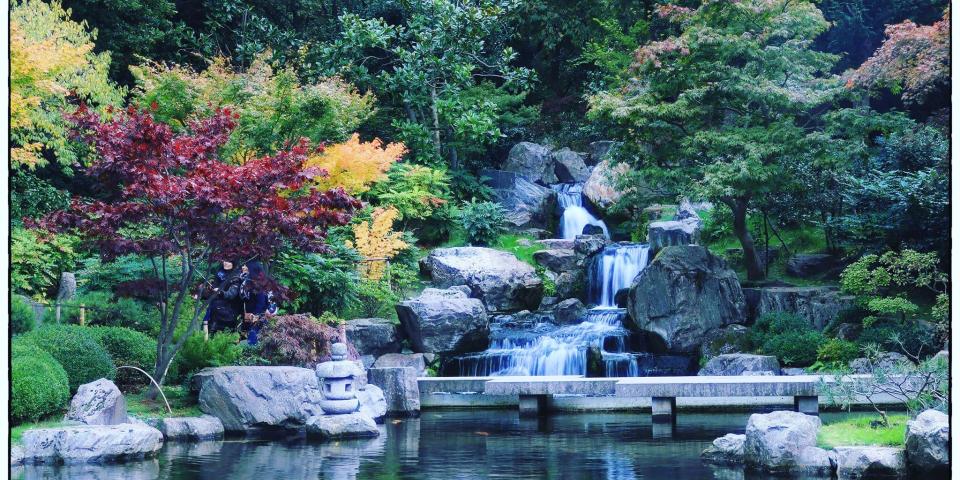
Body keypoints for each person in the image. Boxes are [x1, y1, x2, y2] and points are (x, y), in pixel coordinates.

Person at [238, 260, 272, 345]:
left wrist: (254, 315)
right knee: (247, 336)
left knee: (253, 338)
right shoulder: (246, 279)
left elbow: (261, 302)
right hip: (249, 314)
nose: (243, 267)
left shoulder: (258, 283)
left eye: (246, 266)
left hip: (257, 315)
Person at [203, 261, 242, 335]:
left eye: (229, 261)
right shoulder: (220, 272)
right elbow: (214, 286)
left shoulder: (236, 276)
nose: (225, 263)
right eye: (225, 260)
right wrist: (209, 289)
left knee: (223, 335)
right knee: (206, 330)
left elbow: (231, 294)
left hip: (228, 311)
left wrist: (221, 292)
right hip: (214, 307)